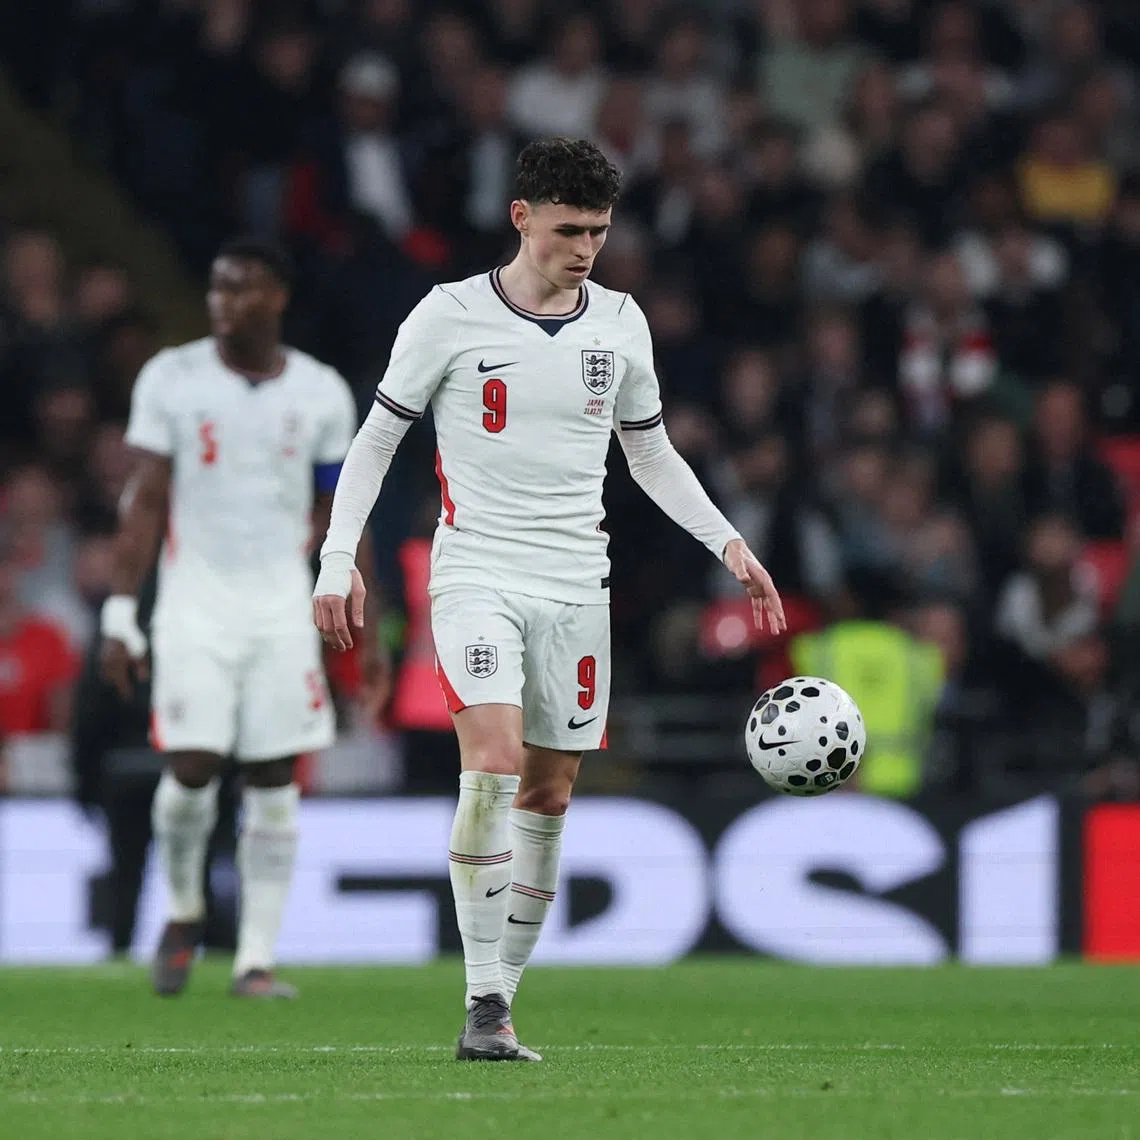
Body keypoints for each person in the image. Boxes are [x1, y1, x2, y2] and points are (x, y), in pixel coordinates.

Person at [312, 138, 785, 1060]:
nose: (586, 249)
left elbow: (648, 452)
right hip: (476, 572)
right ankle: (481, 999)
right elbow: (374, 442)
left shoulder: (621, 322)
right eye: (569, 230)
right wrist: (339, 560)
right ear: (521, 217)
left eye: (599, 232)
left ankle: (502, 1001)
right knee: (491, 763)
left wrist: (727, 541)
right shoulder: (447, 315)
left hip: (576, 583)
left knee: (549, 792)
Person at [99, 238, 371, 998]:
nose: (223, 302)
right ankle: (183, 911)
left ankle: (255, 957)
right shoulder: (172, 377)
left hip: (282, 607)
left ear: (277, 297)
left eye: (242, 288)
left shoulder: (320, 391)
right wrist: (121, 612)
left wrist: (369, 626)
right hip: (194, 605)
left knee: (273, 774)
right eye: (218, 288)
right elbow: (144, 502)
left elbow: (343, 513)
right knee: (192, 765)